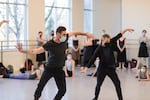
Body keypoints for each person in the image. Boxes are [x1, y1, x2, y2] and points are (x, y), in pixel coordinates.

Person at [17, 26, 93, 100]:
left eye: (65, 34)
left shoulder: (65, 38)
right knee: (40, 86)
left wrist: (86, 34)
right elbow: (36, 51)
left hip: (59, 70)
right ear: (58, 34)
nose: (65, 36)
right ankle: (36, 98)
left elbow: (74, 32)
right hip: (49, 69)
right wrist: (22, 50)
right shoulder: (50, 44)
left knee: (62, 90)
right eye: (63, 34)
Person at [83, 28, 134, 100]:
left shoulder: (111, 43)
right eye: (107, 40)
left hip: (111, 68)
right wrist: (86, 67)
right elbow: (93, 58)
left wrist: (126, 30)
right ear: (103, 40)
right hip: (102, 69)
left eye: (109, 40)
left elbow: (119, 35)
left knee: (117, 83)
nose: (108, 41)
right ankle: (95, 97)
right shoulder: (99, 48)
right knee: (98, 84)